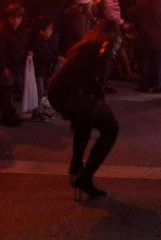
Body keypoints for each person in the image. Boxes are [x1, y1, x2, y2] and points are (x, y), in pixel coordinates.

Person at [48, 20, 122, 200]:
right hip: (76, 95)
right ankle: (85, 178)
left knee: (84, 124)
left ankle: (76, 168)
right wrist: (99, 94)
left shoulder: (89, 42)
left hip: (60, 93)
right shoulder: (109, 41)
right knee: (111, 129)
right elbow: (102, 67)